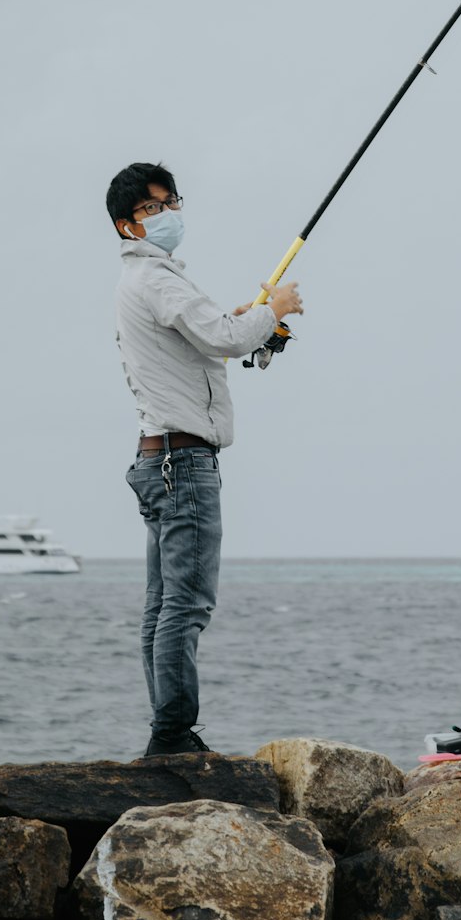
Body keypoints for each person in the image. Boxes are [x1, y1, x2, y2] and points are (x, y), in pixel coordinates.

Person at [107, 161, 303, 756]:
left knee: (162, 606)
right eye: (152, 208)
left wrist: (246, 317)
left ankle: (168, 730)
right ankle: (172, 736)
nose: (168, 216)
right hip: (182, 465)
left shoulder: (148, 282)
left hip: (157, 459)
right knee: (185, 607)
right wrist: (278, 310)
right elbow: (224, 341)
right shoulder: (157, 280)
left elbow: (212, 332)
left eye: (171, 203)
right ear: (127, 226)